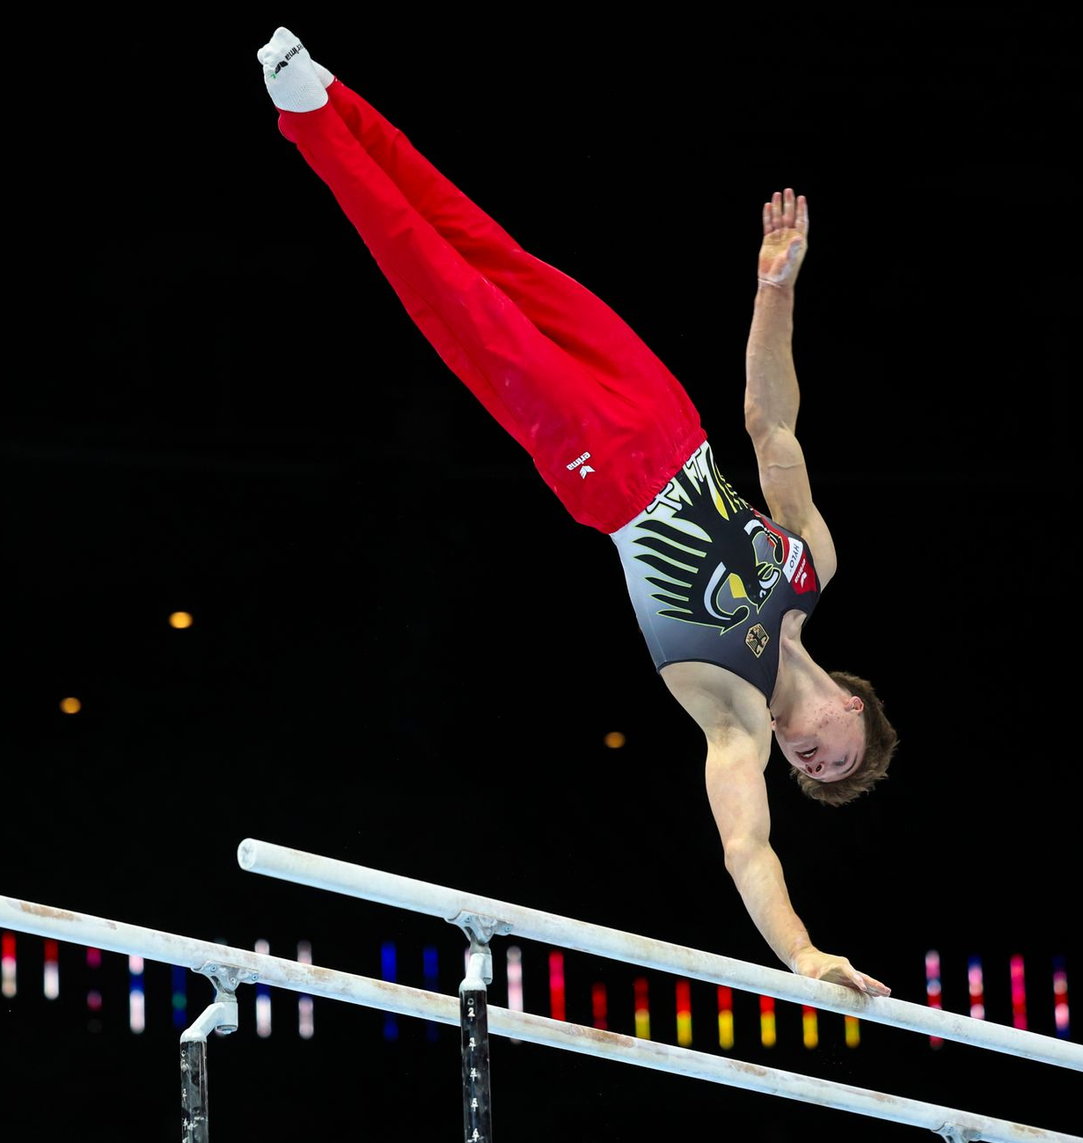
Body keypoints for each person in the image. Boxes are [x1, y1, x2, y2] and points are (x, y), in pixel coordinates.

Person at [256, 27, 897, 996]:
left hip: (609, 480)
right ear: (854, 701)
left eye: (813, 769)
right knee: (491, 253)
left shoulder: (734, 722)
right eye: (832, 751)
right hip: (665, 412)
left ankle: (308, 124)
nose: (810, 757)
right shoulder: (812, 562)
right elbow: (772, 425)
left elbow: (747, 849)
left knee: (454, 302)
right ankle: (340, 100)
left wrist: (804, 951)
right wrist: (777, 289)